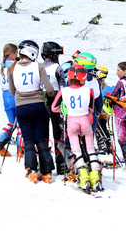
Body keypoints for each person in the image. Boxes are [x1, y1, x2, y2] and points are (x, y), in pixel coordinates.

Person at [8, 40, 55, 184]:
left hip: (22, 108)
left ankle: (31, 171)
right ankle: (46, 173)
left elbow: (11, 91)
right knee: (40, 138)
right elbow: (50, 89)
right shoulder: (38, 66)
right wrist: (49, 96)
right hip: (38, 106)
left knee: (28, 139)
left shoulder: (12, 68)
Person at [51, 64, 102, 192]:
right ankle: (95, 178)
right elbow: (91, 108)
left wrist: (65, 109)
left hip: (72, 122)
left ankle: (83, 178)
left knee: (76, 150)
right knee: (90, 148)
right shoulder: (88, 91)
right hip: (85, 121)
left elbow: (54, 108)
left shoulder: (64, 91)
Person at [0, 43, 23, 157]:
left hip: (5, 95)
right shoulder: (15, 65)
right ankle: (21, 150)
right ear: (12, 53)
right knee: (21, 124)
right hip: (15, 94)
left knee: (12, 123)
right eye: (16, 53)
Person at [41, 41, 66, 175]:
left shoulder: (38, 67)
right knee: (58, 132)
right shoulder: (58, 67)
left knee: (44, 133)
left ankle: (45, 163)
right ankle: (60, 163)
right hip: (56, 98)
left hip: (42, 98)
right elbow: (63, 85)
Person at [109, 62, 126, 167]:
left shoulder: (121, 83)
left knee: (122, 137)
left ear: (125, 71)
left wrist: (109, 101)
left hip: (120, 112)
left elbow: (113, 95)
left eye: (118, 70)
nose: (117, 72)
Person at [72, 51, 103, 134]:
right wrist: (97, 113)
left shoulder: (73, 81)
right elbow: (99, 102)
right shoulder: (96, 82)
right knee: (89, 138)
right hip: (90, 115)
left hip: (74, 114)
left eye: (75, 63)